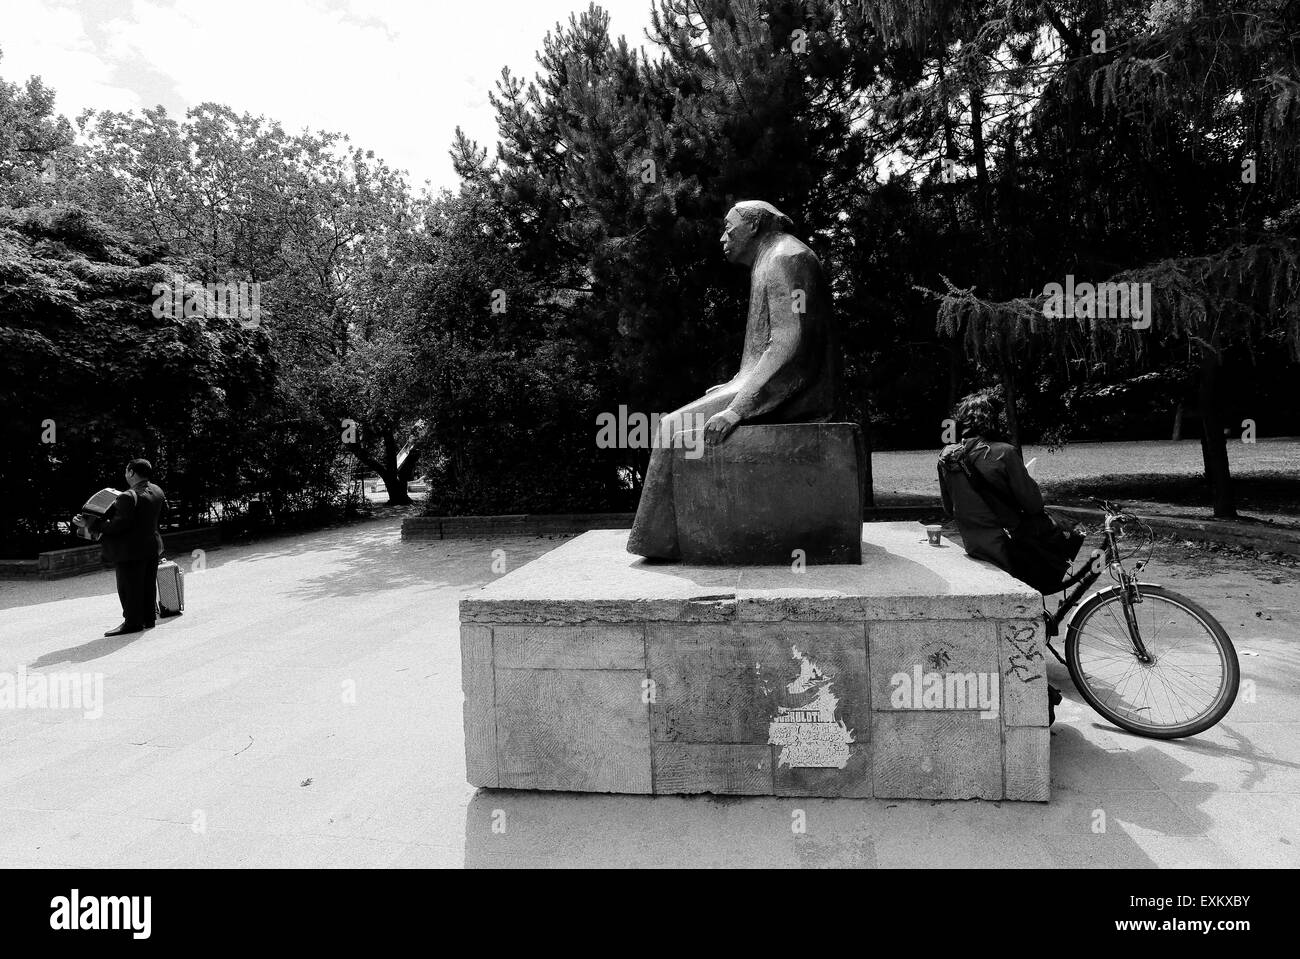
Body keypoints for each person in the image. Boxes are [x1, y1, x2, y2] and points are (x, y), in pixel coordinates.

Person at [626, 200, 841, 559]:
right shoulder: (773, 258)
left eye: (729, 227)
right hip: (770, 386)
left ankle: (658, 543)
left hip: (800, 397)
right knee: (677, 423)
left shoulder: (785, 258)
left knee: (671, 427)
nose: (723, 237)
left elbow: (791, 344)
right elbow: (766, 349)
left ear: (754, 226)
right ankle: (669, 538)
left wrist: (738, 407)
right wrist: (732, 385)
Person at [937, 395, 1064, 722]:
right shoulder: (1004, 453)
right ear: (993, 420)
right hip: (1008, 546)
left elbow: (949, 510)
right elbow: (1033, 504)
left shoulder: (947, 458)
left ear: (962, 420)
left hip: (976, 546)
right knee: (1056, 553)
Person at [97, 458, 167, 637]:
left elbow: (118, 526)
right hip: (151, 547)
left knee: (129, 587)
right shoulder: (157, 490)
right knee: (147, 585)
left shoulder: (128, 496)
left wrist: (97, 525)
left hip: (130, 550)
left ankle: (132, 622)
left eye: (126, 470)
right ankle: (148, 619)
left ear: (131, 472)